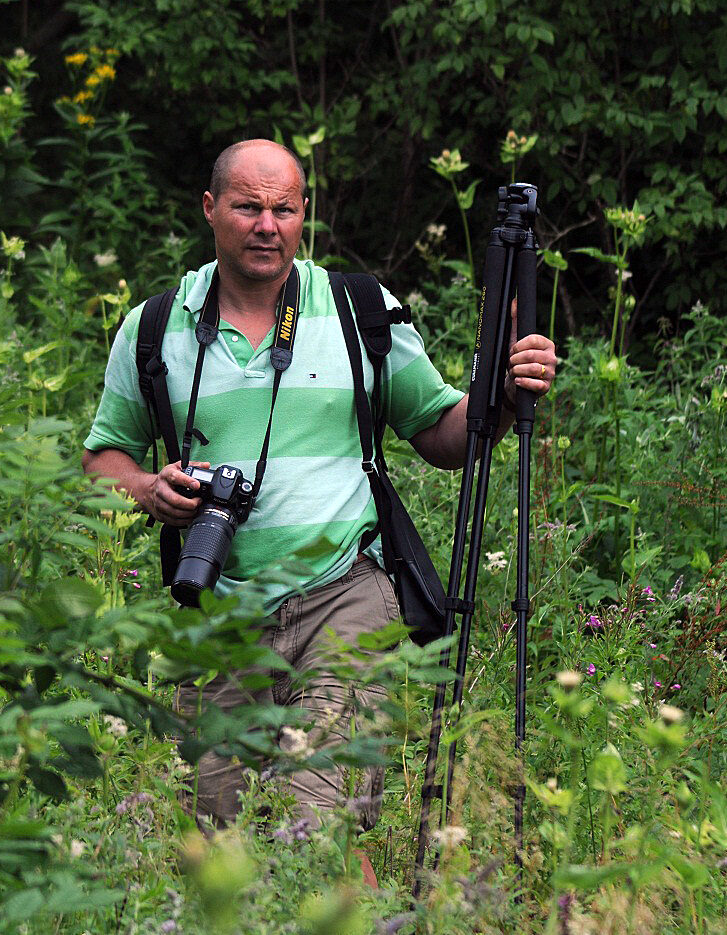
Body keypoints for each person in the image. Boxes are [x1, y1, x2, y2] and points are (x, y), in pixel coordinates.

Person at [82, 139, 556, 840]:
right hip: (215, 614)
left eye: (283, 208)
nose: (266, 225)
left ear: (306, 213)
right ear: (211, 210)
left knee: (315, 823)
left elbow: (444, 435)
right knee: (216, 845)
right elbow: (102, 461)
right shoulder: (155, 327)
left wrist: (504, 390)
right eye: (247, 207)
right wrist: (150, 489)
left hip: (343, 593)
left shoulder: (359, 307)